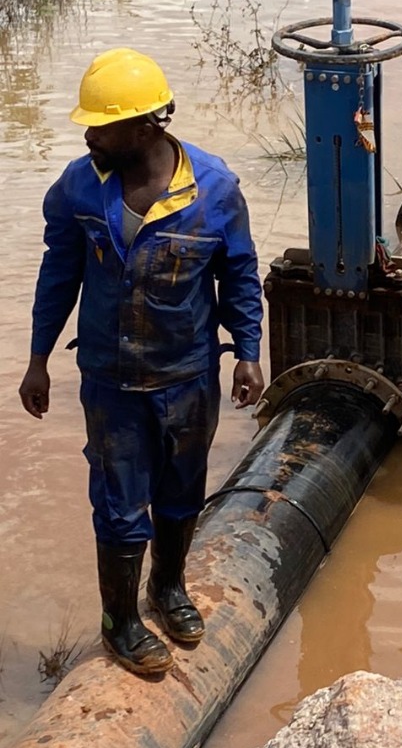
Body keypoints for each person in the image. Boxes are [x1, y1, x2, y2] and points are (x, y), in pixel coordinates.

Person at [18, 48, 265, 676]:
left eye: (103, 126)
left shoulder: (213, 192)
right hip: (111, 380)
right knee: (120, 507)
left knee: (181, 496)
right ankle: (120, 623)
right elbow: (59, 273)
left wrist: (249, 354)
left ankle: (169, 588)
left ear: (148, 126)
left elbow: (239, 275)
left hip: (188, 376)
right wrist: (38, 357)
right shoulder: (79, 186)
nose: (89, 135)